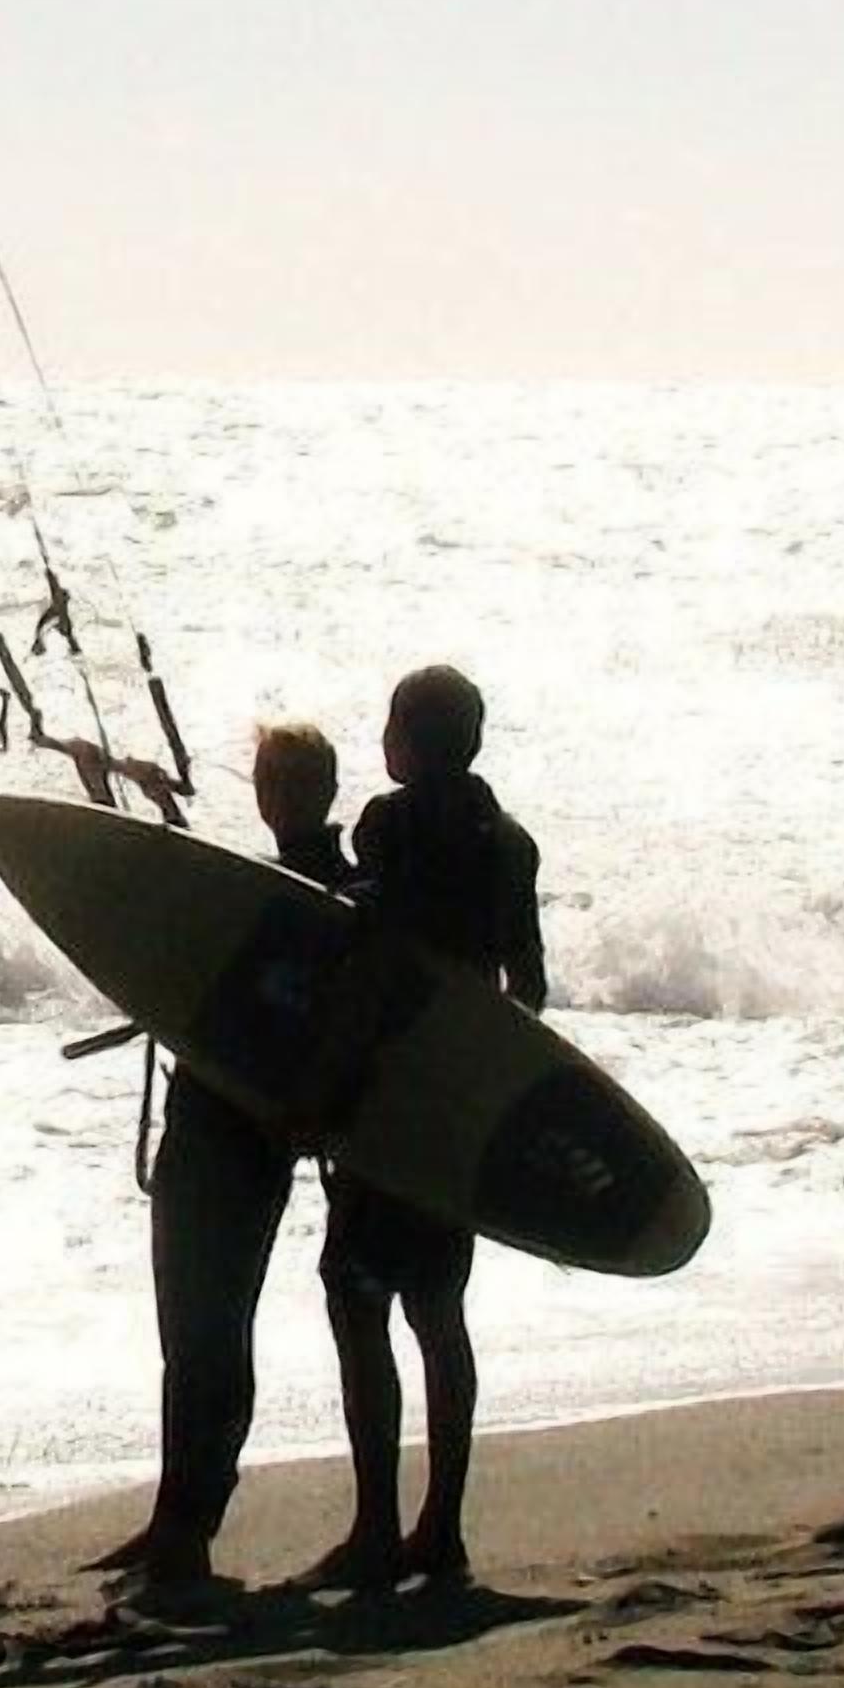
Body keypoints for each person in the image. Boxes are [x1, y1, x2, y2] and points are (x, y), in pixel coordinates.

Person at [306, 665, 546, 1589]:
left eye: (391, 724)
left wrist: (322, 1093)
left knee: (356, 1294)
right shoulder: (510, 847)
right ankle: (440, 1530)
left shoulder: (388, 827)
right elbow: (527, 991)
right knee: (439, 1311)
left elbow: (370, 968)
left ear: (408, 741)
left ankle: (375, 1527)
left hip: (390, 1105)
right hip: (459, 1112)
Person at [103, 721, 350, 1587]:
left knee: (211, 1326)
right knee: (190, 1328)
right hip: (215, 1122)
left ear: (301, 790)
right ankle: (177, 1512)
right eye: (264, 778)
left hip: (237, 1133)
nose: (267, 792)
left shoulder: (325, 894)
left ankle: (194, 1521)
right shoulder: (289, 882)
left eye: (276, 778)